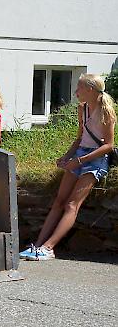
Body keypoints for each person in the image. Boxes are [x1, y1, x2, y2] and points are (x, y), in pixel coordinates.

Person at [20, 74, 115, 261]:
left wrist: (79, 161)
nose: (76, 92)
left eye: (79, 88)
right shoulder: (83, 109)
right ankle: (38, 244)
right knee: (59, 201)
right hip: (80, 154)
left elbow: (109, 145)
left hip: (95, 159)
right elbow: (80, 137)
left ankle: (49, 247)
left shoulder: (106, 112)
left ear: (90, 90)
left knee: (72, 204)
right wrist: (67, 156)